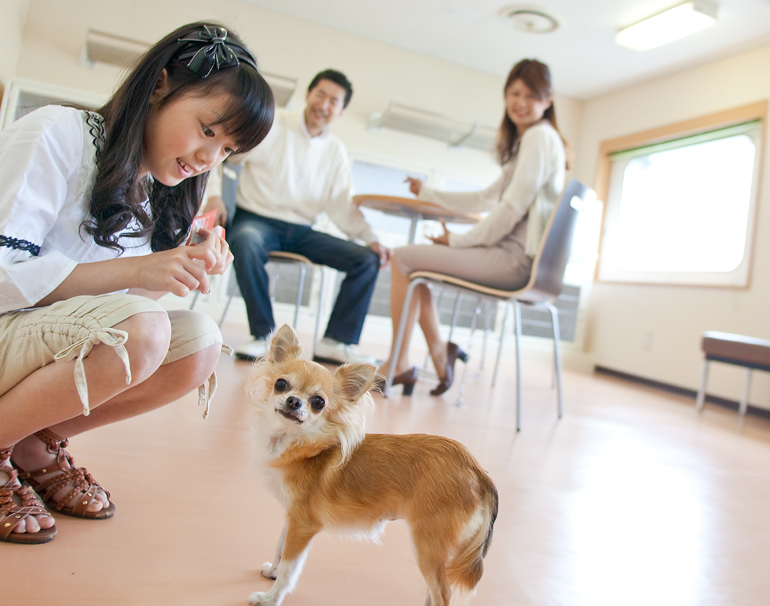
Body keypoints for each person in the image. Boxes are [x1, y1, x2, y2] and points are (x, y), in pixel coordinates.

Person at [0, 22, 274, 544]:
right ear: (160, 86)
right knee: (140, 331)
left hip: (12, 358)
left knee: (198, 346)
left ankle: (30, 444)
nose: (210, 160)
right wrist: (138, 270)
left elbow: (113, 309)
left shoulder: (156, 191)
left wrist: (179, 269)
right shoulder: (56, 133)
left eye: (228, 150)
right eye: (208, 130)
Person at [379, 59, 567, 396]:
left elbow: (510, 209)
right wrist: (428, 193)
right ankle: (437, 353)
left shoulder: (539, 137)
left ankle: (400, 362)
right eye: (514, 93)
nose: (520, 103)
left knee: (404, 258)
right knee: (413, 266)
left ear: (548, 100)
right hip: (516, 258)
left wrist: (459, 241)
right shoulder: (537, 140)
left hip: (514, 262)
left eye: (531, 95)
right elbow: (486, 198)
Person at [207, 69, 390, 363]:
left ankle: (336, 341)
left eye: (334, 101)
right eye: (321, 94)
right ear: (308, 94)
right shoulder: (271, 122)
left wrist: (371, 239)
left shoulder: (335, 152)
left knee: (367, 260)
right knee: (245, 241)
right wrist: (214, 196)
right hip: (256, 218)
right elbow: (219, 152)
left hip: (302, 230)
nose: (325, 105)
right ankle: (265, 336)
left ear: (341, 111)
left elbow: (341, 205)